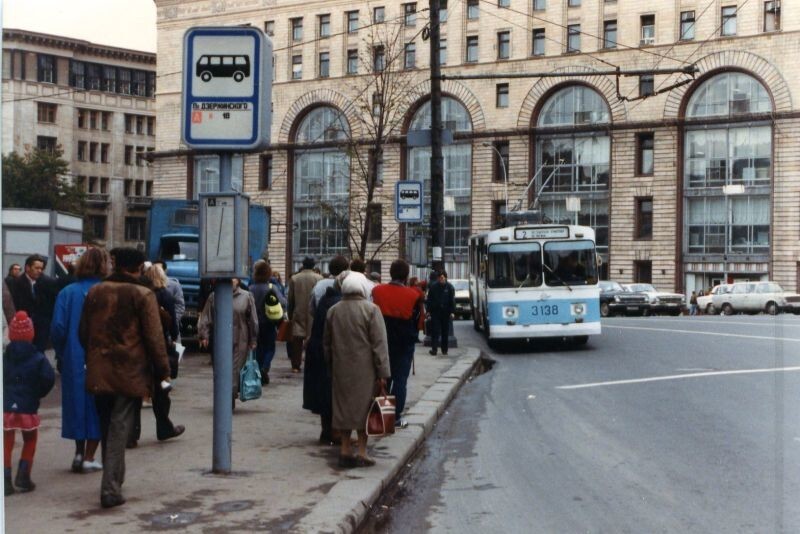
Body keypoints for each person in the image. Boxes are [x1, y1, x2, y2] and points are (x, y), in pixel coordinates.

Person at [79, 247, 172, 509]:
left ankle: (115, 480)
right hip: (129, 369)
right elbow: (154, 338)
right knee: (120, 426)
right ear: (138, 268)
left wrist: (95, 355)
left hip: (99, 369)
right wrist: (163, 370)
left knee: (108, 424)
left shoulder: (96, 291)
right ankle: (110, 488)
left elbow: (83, 332)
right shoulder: (143, 294)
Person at [50, 247, 109, 474]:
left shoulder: (67, 292)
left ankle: (77, 452)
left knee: (76, 404)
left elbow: (57, 328)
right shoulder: (107, 292)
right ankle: (89, 456)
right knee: (98, 406)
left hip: (73, 356)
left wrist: (62, 351)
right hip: (101, 357)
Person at [323, 272, 390, 468]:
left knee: (343, 408)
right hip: (366, 369)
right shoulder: (371, 310)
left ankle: (345, 449)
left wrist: (331, 365)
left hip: (341, 368)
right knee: (365, 410)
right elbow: (379, 345)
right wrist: (383, 373)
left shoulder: (333, 311)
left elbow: (326, 344)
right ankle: (362, 451)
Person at [130, 265, 184, 443]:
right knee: (162, 391)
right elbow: (173, 325)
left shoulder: (138, 294)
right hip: (159, 348)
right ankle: (164, 427)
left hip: (138, 349)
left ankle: (132, 434)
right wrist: (174, 338)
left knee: (136, 391)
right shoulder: (165, 295)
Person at [3, 311, 55, 495]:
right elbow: (48, 379)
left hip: (6, 405)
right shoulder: (38, 358)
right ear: (30, 334)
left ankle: (5, 479)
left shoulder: (5, 357)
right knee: (30, 439)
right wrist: (37, 393)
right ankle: (23, 476)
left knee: (6, 441)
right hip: (28, 406)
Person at [372, 260, 423, 428]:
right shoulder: (414, 295)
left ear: (391, 273)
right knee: (400, 380)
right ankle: (394, 417)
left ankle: (380, 414)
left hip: (382, 341)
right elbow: (418, 321)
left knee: (383, 378)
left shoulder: (377, 291)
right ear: (406, 275)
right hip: (403, 343)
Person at [304, 258, 349, 444]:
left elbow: (312, 310)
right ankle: (337, 433)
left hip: (317, 339)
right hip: (335, 345)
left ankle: (325, 431)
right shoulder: (345, 287)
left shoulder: (320, 286)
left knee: (322, 389)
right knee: (336, 390)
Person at [198, 278, 258, 407]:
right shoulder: (214, 296)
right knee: (220, 370)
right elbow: (206, 317)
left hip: (240, 339)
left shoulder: (246, 296)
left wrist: (253, 339)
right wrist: (204, 335)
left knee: (235, 370)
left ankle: (230, 397)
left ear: (239, 280)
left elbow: (252, 320)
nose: (232, 280)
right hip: (219, 339)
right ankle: (225, 397)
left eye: (234, 278)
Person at [10, 255, 58, 351]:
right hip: (23, 327)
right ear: (27, 268)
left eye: (41, 268)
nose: (40, 271)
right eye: (37, 268)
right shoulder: (17, 283)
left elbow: (53, 303)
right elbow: (14, 304)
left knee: (39, 353)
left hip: (42, 327)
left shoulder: (49, 282)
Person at [249, 261, 287, 385]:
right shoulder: (272, 288)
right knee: (270, 347)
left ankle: (259, 369)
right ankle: (265, 367)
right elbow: (283, 302)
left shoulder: (251, 289)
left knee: (258, 347)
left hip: (254, 323)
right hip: (269, 322)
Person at [287, 257, 322, 372]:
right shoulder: (319, 278)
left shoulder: (294, 278)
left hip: (298, 310)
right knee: (312, 338)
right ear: (313, 265)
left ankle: (295, 365)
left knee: (297, 340)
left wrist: (290, 314)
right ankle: (311, 364)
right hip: (313, 312)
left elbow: (290, 299)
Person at [153, 260, 185, 339]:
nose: (158, 272)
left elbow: (180, 306)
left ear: (165, 271)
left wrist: (172, 321)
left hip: (170, 327)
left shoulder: (174, 285)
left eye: (160, 270)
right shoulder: (149, 286)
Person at [426, 270, 455, 356]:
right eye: (440, 277)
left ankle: (444, 350)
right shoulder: (433, 287)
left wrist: (452, 311)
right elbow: (429, 300)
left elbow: (452, 300)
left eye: (443, 277)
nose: (441, 279)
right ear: (438, 278)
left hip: (446, 312)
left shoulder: (449, 287)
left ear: (445, 278)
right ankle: (434, 349)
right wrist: (428, 311)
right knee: (435, 331)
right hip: (435, 312)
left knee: (445, 331)